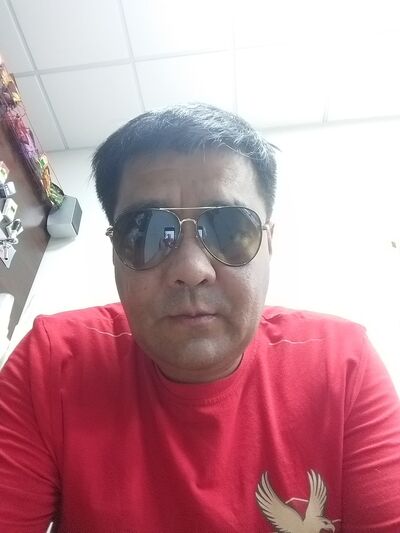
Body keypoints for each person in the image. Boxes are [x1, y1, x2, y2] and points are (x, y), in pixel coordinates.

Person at [0, 103, 399, 533]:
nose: (191, 269)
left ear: (269, 244)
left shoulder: (344, 367)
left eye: (229, 230)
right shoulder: (51, 365)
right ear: (115, 253)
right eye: (146, 232)